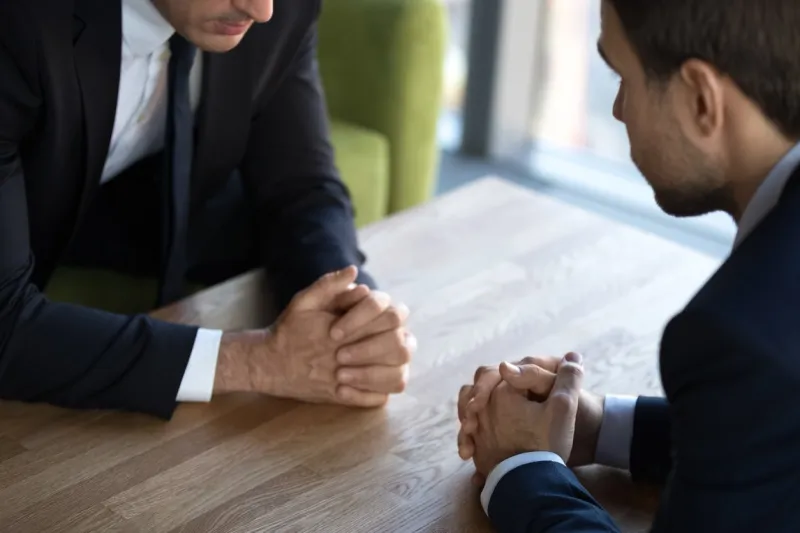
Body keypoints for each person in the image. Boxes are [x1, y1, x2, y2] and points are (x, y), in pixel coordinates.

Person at [457, 0, 800, 531]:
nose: (616, 109)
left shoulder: (738, 334)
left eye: (622, 75)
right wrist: (598, 427)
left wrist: (521, 467)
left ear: (701, 100)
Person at [0, 0, 415, 420]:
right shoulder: (19, 24)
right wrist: (257, 362)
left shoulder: (279, 8)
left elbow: (300, 187)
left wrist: (350, 320)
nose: (261, 10)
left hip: (133, 200)